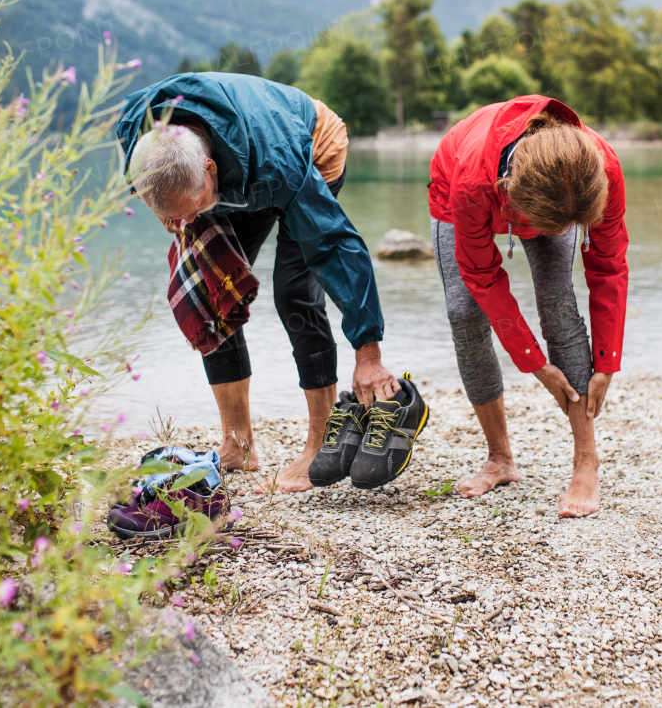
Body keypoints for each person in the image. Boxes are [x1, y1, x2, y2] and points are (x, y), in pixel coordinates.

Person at [116, 72, 400, 493]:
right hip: (231, 166)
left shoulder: (279, 162)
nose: (185, 225)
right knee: (210, 288)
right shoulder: (138, 127)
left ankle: (319, 444)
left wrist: (369, 351)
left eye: (191, 210)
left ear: (210, 170)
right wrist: (168, 208)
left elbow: (335, 247)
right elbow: (156, 182)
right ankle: (238, 444)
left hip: (310, 146)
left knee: (295, 292)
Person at [427, 96, 628, 517]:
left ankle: (586, 462)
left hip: (554, 194)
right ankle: (500, 458)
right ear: (509, 194)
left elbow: (608, 267)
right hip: (459, 184)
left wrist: (608, 360)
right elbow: (482, 275)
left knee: (557, 300)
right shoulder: (473, 182)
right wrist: (533, 362)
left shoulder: (600, 170)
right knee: (464, 312)